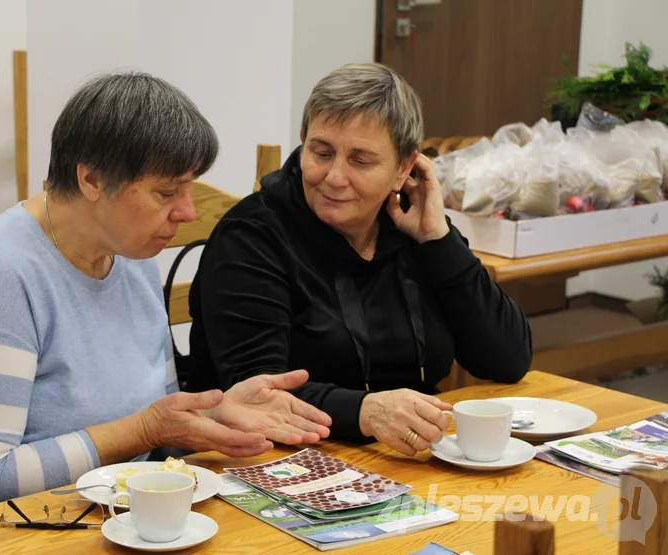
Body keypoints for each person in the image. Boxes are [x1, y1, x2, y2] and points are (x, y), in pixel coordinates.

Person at [0, 72, 331, 538]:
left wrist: (214, 415)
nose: (187, 211)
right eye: (167, 192)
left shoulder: (129, 256)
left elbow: (150, 427)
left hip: (82, 522)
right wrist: (143, 430)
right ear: (91, 179)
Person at [187, 63, 532, 455]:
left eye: (361, 160)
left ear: (404, 168)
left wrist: (439, 241)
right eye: (321, 152)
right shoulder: (251, 237)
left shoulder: (414, 230)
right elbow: (259, 396)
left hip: (406, 457)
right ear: (303, 141)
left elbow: (508, 359)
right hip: (276, 462)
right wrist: (365, 411)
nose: (335, 176)